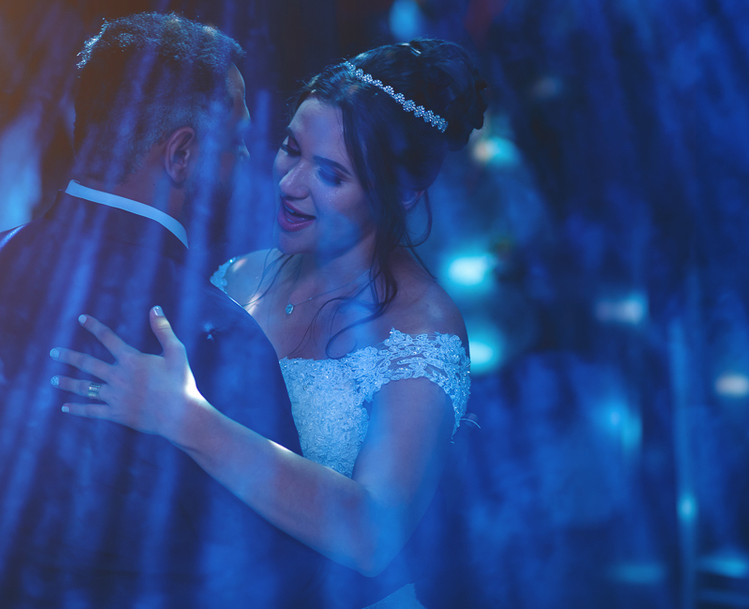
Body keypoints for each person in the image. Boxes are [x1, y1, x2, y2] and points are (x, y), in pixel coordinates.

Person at [51, 40, 487, 607]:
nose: (291, 183)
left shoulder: (422, 330)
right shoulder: (238, 277)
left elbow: (373, 536)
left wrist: (187, 418)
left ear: (401, 194)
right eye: (291, 149)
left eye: (331, 175)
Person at [0, 13, 322, 608]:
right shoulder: (210, 336)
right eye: (235, 143)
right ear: (181, 154)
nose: (247, 163)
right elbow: (278, 568)